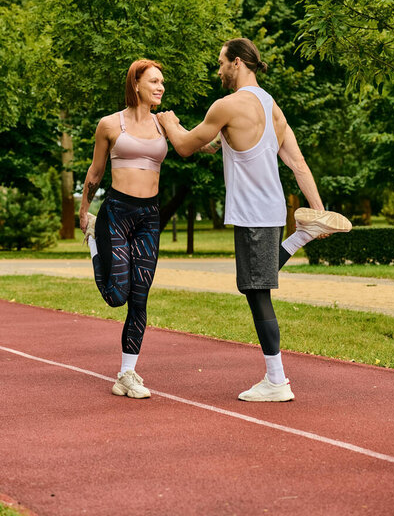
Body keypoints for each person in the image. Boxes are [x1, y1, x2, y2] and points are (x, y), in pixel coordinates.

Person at [157, 38, 351, 402]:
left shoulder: (226, 105)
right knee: (255, 283)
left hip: (252, 213)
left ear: (237, 62)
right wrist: (318, 207)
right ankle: (305, 232)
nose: (218, 70)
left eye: (220, 63)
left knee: (257, 290)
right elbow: (296, 163)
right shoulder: (271, 106)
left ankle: (277, 380)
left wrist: (170, 123)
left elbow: (183, 147)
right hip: (270, 210)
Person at [79, 59, 168, 399]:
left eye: (162, 82)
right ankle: (93, 245)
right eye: (154, 81)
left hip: (149, 216)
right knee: (117, 296)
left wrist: (225, 132)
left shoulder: (164, 124)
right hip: (116, 213)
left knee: (140, 296)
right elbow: (95, 171)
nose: (160, 87)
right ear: (137, 84)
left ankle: (126, 374)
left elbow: (195, 143)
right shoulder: (109, 124)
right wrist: (85, 213)